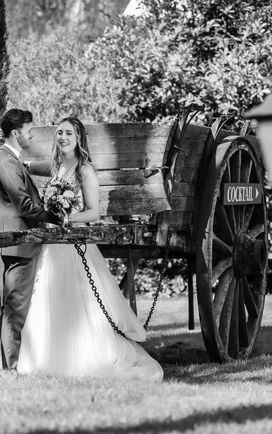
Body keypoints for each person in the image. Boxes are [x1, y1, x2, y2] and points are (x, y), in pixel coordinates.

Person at [17, 117, 163, 382]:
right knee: (50, 296)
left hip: (75, 243)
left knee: (78, 298)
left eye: (68, 133)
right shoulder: (57, 166)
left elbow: (94, 211)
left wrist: (67, 219)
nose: (62, 137)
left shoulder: (85, 170)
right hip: (54, 243)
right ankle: (45, 354)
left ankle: (85, 355)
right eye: (59, 132)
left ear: (78, 138)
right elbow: (34, 167)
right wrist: (19, 162)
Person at [0, 108, 60, 370]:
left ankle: (3, 363)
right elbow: (25, 205)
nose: (31, 135)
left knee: (10, 308)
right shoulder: (6, 161)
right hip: (17, 243)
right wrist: (56, 215)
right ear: (16, 133)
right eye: (28, 131)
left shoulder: (9, 160)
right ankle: (9, 368)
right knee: (16, 309)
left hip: (11, 243)